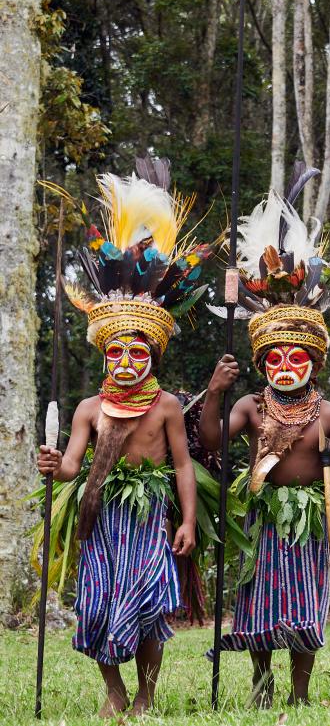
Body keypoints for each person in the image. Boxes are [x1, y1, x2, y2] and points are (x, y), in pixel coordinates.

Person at [36, 159, 212, 716]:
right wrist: (51, 464)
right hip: (104, 517)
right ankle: (113, 691)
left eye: (140, 351)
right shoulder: (90, 408)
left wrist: (185, 520)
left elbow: (183, 465)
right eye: (118, 351)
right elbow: (70, 467)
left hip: (149, 518)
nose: (129, 360)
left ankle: (146, 691)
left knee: (145, 609)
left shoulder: (164, 407)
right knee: (98, 608)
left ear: (154, 354)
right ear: (104, 353)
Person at [200, 166, 330, 706]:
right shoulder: (248, 404)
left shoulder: (329, 413)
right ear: (262, 362)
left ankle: (300, 693)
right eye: (275, 359)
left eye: (297, 358)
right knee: (259, 600)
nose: (286, 368)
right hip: (262, 517)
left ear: (313, 360)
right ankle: (261, 688)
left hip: (308, 520)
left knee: (305, 603)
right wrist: (216, 390)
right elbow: (214, 443)